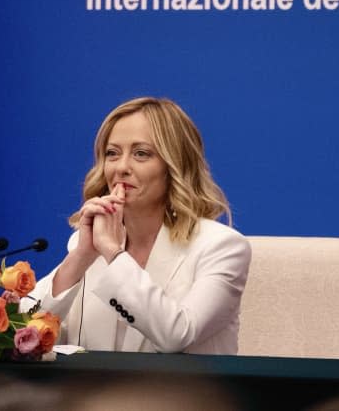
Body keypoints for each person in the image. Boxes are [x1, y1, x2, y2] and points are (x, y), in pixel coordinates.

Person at [26, 97, 251, 354]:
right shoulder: (87, 245)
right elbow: (22, 330)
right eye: (112, 154)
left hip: (180, 393)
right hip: (90, 392)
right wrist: (80, 258)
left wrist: (113, 253)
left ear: (174, 166)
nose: (121, 167)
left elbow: (177, 335)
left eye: (141, 154)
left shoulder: (221, 247)